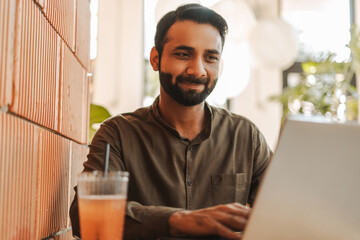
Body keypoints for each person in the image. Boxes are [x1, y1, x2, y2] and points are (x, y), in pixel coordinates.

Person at [70, 3, 272, 240]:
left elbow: (282, 216)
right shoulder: (117, 134)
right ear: (156, 59)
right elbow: (83, 216)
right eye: (183, 54)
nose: (198, 70)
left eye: (210, 57)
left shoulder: (246, 136)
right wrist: (181, 220)